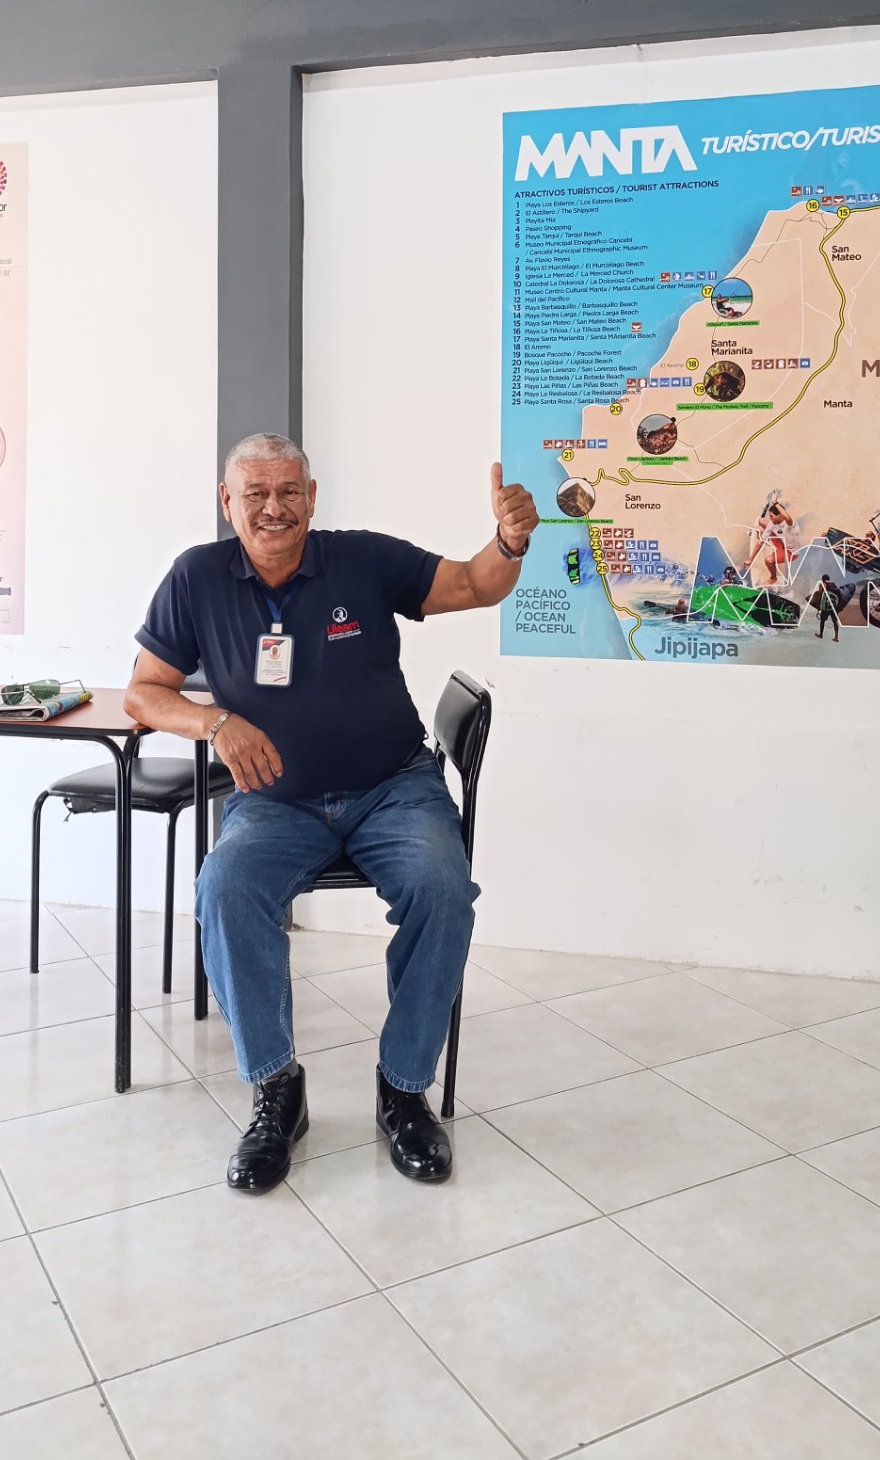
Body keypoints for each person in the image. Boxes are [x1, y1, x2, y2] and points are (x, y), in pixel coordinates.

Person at [123, 433, 538, 1197]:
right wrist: (215, 722)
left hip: (393, 786)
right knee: (224, 890)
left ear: (312, 498)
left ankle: (404, 1089)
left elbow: (472, 585)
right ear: (227, 502)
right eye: (255, 494)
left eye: (289, 492)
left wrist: (509, 542)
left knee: (443, 889)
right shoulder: (196, 577)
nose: (273, 508)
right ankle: (277, 1089)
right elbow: (144, 693)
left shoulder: (362, 559)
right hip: (275, 798)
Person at [751, 496, 793, 587]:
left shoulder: (788, 524)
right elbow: (761, 541)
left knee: (768, 560)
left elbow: (788, 519)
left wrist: (776, 503)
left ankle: (773, 577)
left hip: (788, 550)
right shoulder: (773, 524)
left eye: (771, 516)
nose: (770, 519)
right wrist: (751, 559)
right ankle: (764, 533)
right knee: (761, 521)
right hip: (778, 541)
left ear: (779, 516)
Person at [810, 575, 841, 642]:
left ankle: (821, 634)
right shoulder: (833, 584)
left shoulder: (823, 584)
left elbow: (819, 594)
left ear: (823, 579)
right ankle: (836, 637)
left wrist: (818, 606)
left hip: (826, 607)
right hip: (833, 606)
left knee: (822, 621)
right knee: (835, 621)